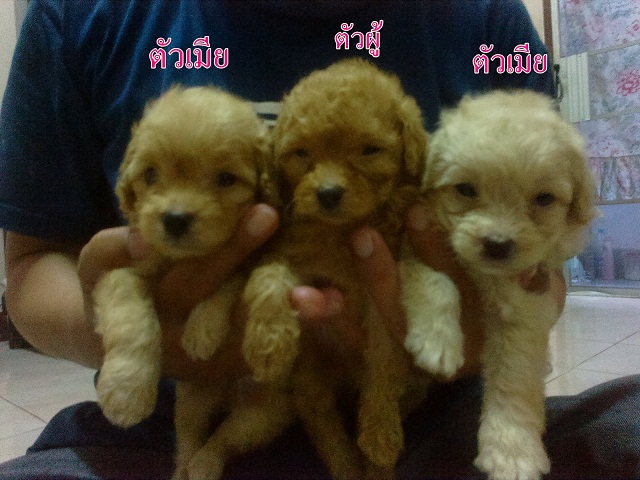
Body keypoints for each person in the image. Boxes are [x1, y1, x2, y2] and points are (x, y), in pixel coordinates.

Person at [0, 1, 638, 479]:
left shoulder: (488, 20)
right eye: (302, 158)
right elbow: (29, 267)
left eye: (369, 153)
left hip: (445, 415)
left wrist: (491, 320)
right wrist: (125, 337)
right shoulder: (82, 13)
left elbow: (542, 267)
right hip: (157, 426)